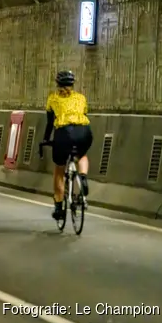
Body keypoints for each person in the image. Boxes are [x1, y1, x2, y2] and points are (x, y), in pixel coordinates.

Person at [42, 70, 92, 221]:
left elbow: (50, 123)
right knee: (82, 155)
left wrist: (46, 139)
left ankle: (59, 207)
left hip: (64, 133)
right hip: (84, 132)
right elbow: (84, 114)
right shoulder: (81, 98)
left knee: (59, 167)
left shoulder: (53, 98)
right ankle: (83, 177)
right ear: (72, 84)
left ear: (57, 84)